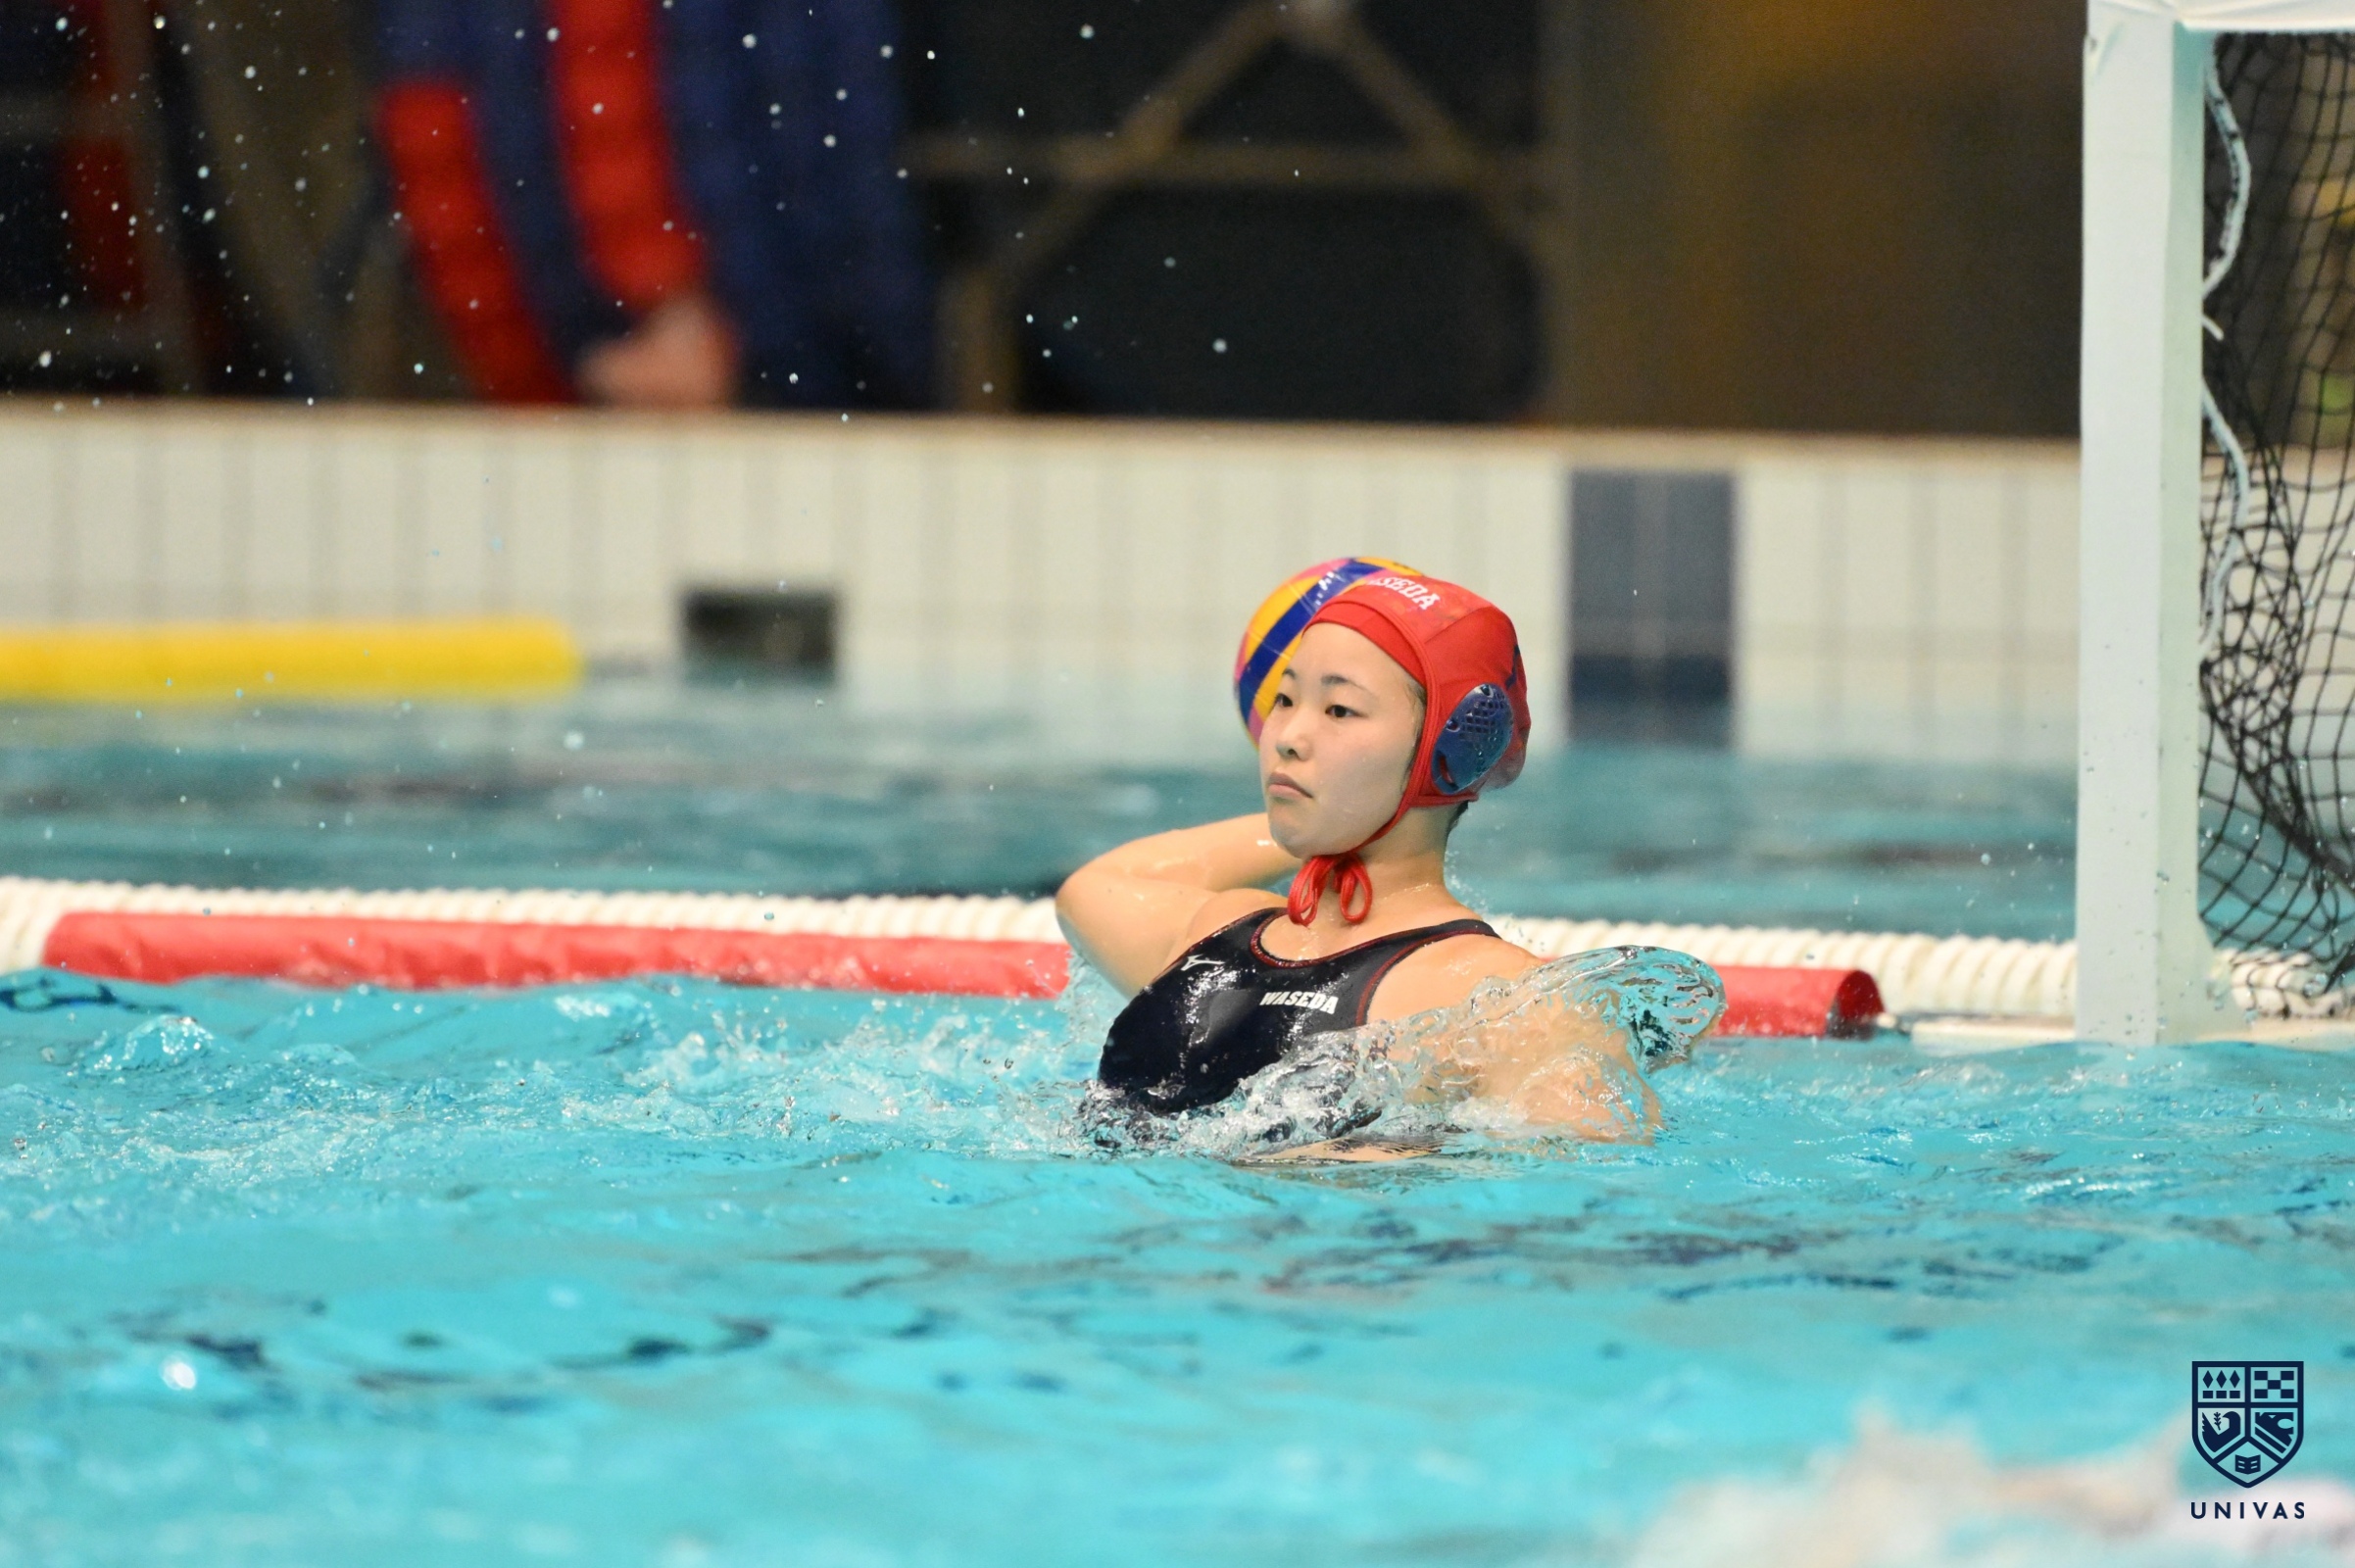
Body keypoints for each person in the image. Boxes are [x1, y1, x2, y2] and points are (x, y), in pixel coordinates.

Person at [1056, 562, 1664, 1148]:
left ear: (1452, 749)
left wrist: (1403, 1155)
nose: (1288, 738)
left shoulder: (1502, 1003)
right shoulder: (1217, 930)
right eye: (1285, 700)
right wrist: (1307, 815)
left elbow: (1598, 1168)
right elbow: (1098, 886)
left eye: (1339, 710)